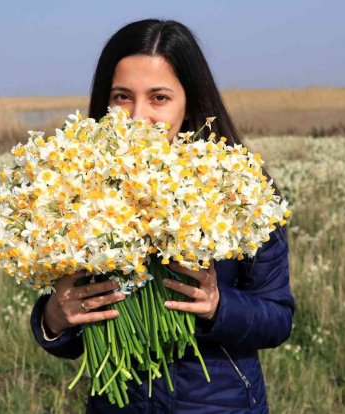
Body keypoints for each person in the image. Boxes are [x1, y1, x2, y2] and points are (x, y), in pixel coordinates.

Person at [30, 19, 295, 413]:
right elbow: (80, 331)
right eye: (122, 96)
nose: (138, 117)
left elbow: (278, 319)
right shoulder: (79, 185)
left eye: (158, 98)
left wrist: (218, 306)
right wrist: (54, 318)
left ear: (190, 101)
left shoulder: (238, 187)